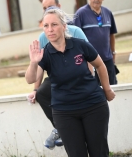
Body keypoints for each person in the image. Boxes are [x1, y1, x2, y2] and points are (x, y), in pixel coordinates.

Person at [25, 8, 115, 157]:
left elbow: (100, 65)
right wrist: (33, 62)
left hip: (94, 106)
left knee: (99, 153)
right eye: (46, 26)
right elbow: (30, 79)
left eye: (54, 24)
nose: (50, 29)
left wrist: (107, 90)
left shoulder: (80, 45)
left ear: (64, 26)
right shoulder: (45, 53)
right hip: (64, 112)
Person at [31, 0, 90, 150]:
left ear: (59, 6)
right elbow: (40, 66)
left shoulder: (76, 31)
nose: (48, 9)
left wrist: (92, 81)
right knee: (42, 92)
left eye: (51, 6)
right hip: (57, 76)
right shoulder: (44, 36)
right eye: (45, 8)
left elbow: (91, 60)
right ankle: (60, 128)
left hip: (79, 74)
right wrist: (35, 90)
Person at [74, 0, 118, 85]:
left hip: (107, 60)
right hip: (90, 61)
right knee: (94, 91)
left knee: (112, 88)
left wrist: (113, 53)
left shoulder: (108, 13)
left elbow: (111, 35)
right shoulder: (81, 13)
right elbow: (75, 38)